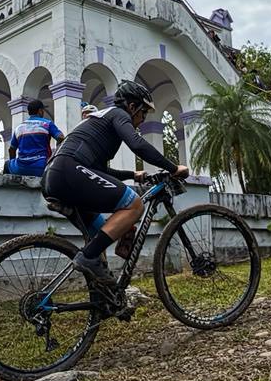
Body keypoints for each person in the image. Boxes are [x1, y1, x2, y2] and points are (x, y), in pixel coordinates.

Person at [43, 80, 188, 286]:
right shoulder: (118, 114)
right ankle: (87, 259)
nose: (143, 118)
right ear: (131, 106)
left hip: (55, 174)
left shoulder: (99, 122)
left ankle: (101, 298)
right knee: (134, 204)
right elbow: (137, 144)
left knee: (100, 234)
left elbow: (100, 171)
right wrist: (174, 168)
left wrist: (132, 174)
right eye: (143, 112)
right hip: (69, 170)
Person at [5, 99, 64, 177]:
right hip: (41, 168)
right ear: (40, 111)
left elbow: (11, 149)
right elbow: (61, 137)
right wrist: (54, 155)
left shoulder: (19, 127)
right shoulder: (47, 124)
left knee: (7, 164)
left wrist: (13, 161)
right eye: (43, 110)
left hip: (21, 168)